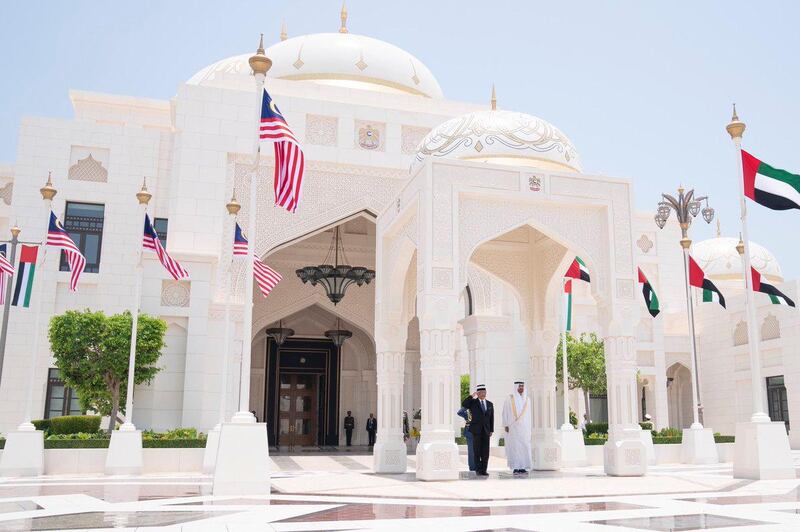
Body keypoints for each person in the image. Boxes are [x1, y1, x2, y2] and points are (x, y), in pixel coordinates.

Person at [461, 384, 493, 476]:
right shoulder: (473, 403)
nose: (483, 394)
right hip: (476, 430)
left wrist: (491, 430)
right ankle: (478, 469)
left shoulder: (490, 404)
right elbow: (464, 404)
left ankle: (484, 470)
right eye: (481, 392)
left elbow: (491, 418)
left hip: (486, 431)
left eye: (485, 392)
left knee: (485, 451)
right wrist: (472, 396)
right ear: (478, 393)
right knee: (477, 450)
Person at [502, 381, 532, 474]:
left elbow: (529, 416)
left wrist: (529, 427)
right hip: (513, 428)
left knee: (524, 446)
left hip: (524, 429)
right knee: (515, 447)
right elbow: (505, 412)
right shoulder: (509, 399)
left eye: (522, 386)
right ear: (516, 387)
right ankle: (516, 466)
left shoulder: (527, 399)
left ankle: (523, 466)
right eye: (519, 386)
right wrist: (505, 424)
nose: (521, 388)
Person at [457, 405, 475, 471]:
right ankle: (472, 468)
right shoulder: (467, 412)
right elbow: (459, 412)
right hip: (470, 433)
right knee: (471, 451)